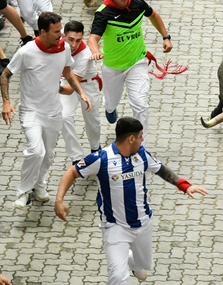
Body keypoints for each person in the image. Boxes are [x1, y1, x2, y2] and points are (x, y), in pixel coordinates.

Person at [54, 117, 208, 284]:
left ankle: (128, 258)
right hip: (115, 227)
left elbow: (161, 170)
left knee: (142, 273)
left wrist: (185, 186)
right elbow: (72, 172)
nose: (143, 139)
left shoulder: (141, 155)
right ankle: (120, 256)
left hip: (143, 223)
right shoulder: (101, 158)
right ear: (131, 139)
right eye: (141, 136)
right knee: (118, 277)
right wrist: (59, 200)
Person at [0, 12, 92, 208]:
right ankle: (23, 192)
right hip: (31, 111)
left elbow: (67, 72)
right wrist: (6, 102)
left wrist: (81, 92)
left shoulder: (64, 48)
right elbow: (5, 75)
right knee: (36, 151)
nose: (61, 35)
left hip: (53, 112)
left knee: (48, 154)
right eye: (57, 31)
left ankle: (39, 187)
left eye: (61, 30)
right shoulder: (27, 52)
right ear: (42, 31)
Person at [88, 0, 173, 138]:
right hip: (113, 67)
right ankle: (110, 108)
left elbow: (154, 15)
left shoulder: (138, 3)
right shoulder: (103, 13)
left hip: (137, 63)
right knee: (111, 102)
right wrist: (95, 51)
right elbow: (93, 38)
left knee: (140, 104)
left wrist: (166, 37)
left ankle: (141, 145)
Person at [59, 20, 101, 165]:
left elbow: (71, 88)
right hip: (65, 81)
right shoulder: (57, 40)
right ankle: (76, 157)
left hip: (86, 85)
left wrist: (48, 84)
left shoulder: (85, 54)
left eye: (78, 40)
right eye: (70, 39)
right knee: (64, 116)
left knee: (92, 120)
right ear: (63, 35)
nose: (74, 44)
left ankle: (96, 149)